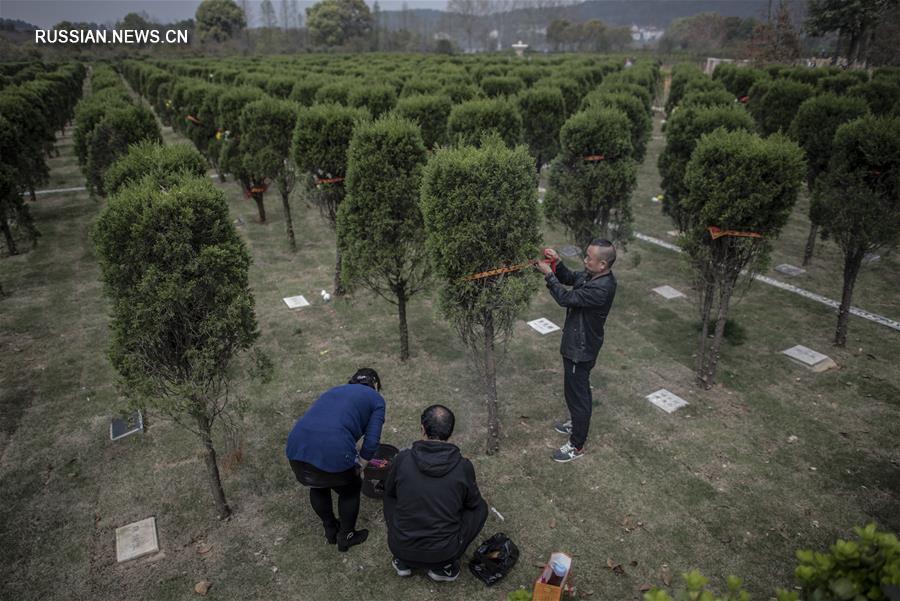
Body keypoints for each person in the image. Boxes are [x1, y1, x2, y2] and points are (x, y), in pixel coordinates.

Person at [383, 405, 488, 582]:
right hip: (443, 554)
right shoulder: (463, 467)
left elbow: (390, 493)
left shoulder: (402, 459)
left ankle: (403, 562)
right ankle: (442, 568)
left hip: (400, 547)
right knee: (481, 508)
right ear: (450, 433)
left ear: (422, 429)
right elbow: (473, 504)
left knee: (388, 495)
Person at [285, 368, 385, 552]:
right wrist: (360, 466)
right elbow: (371, 441)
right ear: (376, 385)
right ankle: (346, 536)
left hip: (296, 446)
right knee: (350, 489)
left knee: (317, 484)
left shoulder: (334, 390)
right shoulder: (376, 398)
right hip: (332, 449)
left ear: (352, 381)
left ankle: (330, 529)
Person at [535, 239, 617, 462]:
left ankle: (576, 445)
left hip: (580, 350)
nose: (585, 260)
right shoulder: (592, 275)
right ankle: (576, 422)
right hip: (580, 345)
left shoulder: (601, 288)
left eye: (589, 257)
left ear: (603, 264)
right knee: (579, 391)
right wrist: (558, 264)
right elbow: (571, 279)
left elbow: (566, 298)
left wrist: (548, 276)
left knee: (576, 395)